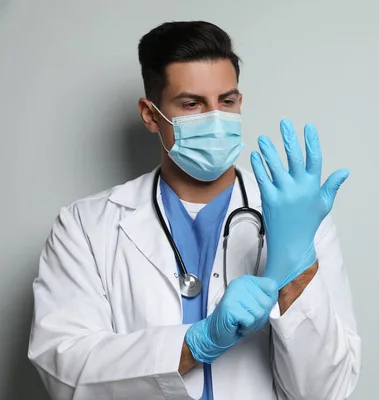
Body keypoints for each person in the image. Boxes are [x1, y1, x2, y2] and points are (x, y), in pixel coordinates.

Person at [27, 20, 361, 400]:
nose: (216, 120)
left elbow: (325, 393)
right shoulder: (85, 228)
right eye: (192, 104)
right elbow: (64, 370)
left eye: (227, 101)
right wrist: (194, 344)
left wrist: (297, 277)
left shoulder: (300, 222)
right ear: (151, 115)